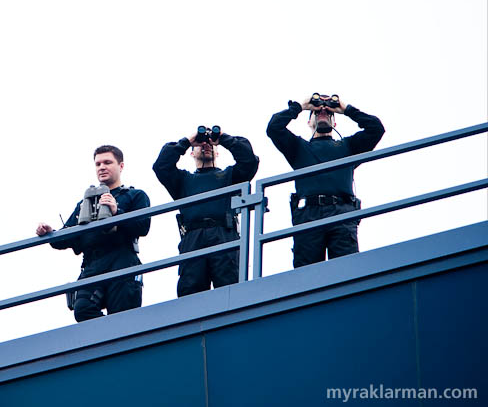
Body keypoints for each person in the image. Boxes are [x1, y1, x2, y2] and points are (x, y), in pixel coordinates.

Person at [266, 94, 385, 268]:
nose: (322, 112)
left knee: (347, 271)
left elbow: (376, 129)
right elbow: (274, 128)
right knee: (306, 276)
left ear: (335, 123)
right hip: (309, 215)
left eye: (328, 112)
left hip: (342, 214)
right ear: (309, 123)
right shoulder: (299, 148)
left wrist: (346, 109)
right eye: (316, 112)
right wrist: (301, 106)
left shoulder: (348, 147)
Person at [36, 145, 151, 322]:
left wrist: (116, 211)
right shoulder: (85, 204)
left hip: (122, 262)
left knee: (125, 319)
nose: (102, 167)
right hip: (92, 265)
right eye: (98, 164)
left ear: (120, 166)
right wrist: (50, 233)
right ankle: (108, 338)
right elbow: (66, 238)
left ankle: (117, 340)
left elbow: (143, 227)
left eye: (107, 162)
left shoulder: (135, 196)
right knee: (82, 310)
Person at [153, 127, 259, 297]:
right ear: (191, 153)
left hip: (224, 235)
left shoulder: (230, 176)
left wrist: (223, 138)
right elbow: (161, 166)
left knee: (230, 291)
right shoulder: (183, 180)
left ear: (218, 153)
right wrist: (187, 141)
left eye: (210, 144)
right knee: (190, 294)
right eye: (200, 144)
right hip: (192, 239)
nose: (205, 145)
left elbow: (249, 161)